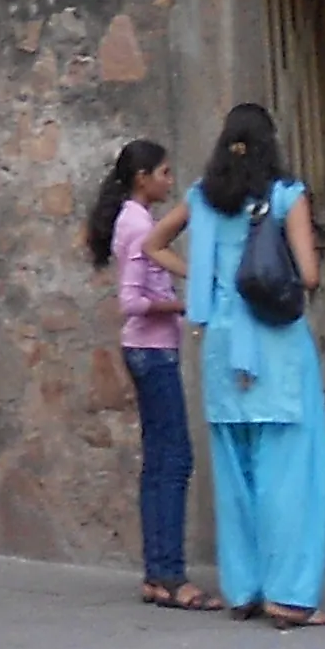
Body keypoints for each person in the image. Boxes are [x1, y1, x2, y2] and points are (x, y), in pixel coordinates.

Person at [187, 101, 325, 627]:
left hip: (222, 349)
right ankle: (290, 596)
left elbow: (154, 243)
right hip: (276, 346)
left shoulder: (202, 199)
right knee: (289, 476)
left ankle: (244, 589)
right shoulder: (285, 197)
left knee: (236, 474)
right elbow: (311, 275)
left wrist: (206, 279)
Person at [83, 139, 211, 609]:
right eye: (163, 173)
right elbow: (132, 302)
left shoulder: (133, 220)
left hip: (149, 349)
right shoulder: (138, 224)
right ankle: (170, 574)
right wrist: (186, 303)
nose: (168, 181)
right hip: (152, 350)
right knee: (173, 460)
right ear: (142, 177)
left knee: (160, 460)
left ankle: (159, 573)